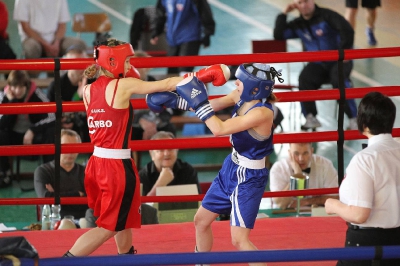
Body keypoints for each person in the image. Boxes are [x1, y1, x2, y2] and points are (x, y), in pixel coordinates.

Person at [63, 38, 230, 257]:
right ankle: (65, 261)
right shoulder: (122, 85)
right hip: (116, 167)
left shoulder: (87, 90)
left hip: (95, 164)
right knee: (109, 227)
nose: (129, 66)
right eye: (126, 61)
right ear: (112, 60)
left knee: (122, 219)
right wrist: (200, 75)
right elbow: (168, 84)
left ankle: (127, 259)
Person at [147, 62, 283, 266]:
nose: (236, 82)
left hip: (249, 178)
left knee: (239, 240)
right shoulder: (242, 96)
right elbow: (211, 107)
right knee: (200, 221)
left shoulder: (262, 113)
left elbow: (219, 128)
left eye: (241, 80)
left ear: (254, 88)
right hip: (232, 167)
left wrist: (196, 99)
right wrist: (178, 102)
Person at [325, 92, 400, 266]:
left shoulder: (365, 159)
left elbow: (359, 214)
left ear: (364, 124)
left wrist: (332, 205)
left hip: (367, 244)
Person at [273, 0, 358, 131]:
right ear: (296, 6)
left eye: (306, 1)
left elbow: (347, 29)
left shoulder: (327, 16)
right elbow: (278, 35)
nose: (304, 5)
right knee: (304, 79)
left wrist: (344, 51)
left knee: (338, 78)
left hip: (339, 61)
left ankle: (354, 118)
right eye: (300, 3)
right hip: (318, 64)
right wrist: (284, 13)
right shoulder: (298, 24)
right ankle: (310, 117)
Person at [0, 70, 55, 188]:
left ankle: (49, 174)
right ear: (9, 86)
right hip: (12, 136)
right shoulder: (3, 96)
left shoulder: (36, 94)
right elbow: (1, 123)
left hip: (33, 137)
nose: (17, 91)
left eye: (21, 87)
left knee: (51, 132)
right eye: (14, 87)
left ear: (27, 85)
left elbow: (52, 116)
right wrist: (12, 102)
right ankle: (4, 173)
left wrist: (33, 130)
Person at [34, 129, 88, 220]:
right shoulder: (43, 171)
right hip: (55, 221)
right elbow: (46, 197)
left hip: (83, 221)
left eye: (74, 147)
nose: (70, 151)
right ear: (57, 147)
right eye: (66, 146)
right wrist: (78, 194)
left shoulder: (86, 171)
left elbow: (92, 201)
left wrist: (56, 195)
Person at [150, 0, 216, 75]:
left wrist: (207, 33)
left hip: (190, 38)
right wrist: (156, 31)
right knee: (172, 71)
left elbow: (205, 12)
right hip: (172, 39)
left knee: (185, 71)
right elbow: (160, 14)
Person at [269, 142, 339, 210]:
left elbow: (335, 197)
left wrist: (307, 201)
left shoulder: (325, 165)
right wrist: (297, 175)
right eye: (296, 153)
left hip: (316, 215)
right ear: (289, 153)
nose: (301, 159)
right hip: (285, 216)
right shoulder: (279, 168)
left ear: (311, 151)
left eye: (305, 153)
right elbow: (280, 203)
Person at [13, 0, 87, 61]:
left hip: (55, 38)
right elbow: (26, 27)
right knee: (32, 48)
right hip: (32, 38)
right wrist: (46, 45)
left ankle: (69, 77)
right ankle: (33, 78)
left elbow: (62, 25)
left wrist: (56, 42)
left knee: (79, 45)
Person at [46, 44, 91, 142]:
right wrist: (60, 122)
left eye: (83, 62)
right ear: (66, 63)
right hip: (62, 127)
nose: (81, 66)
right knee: (50, 130)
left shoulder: (94, 83)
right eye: (76, 62)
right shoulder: (56, 85)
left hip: (86, 126)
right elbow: (48, 113)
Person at [140, 131, 200, 196]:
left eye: (170, 148)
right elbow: (142, 205)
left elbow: (198, 202)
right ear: (152, 154)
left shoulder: (188, 171)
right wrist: (160, 183)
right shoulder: (143, 175)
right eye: (161, 149)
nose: (166, 153)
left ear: (177, 150)